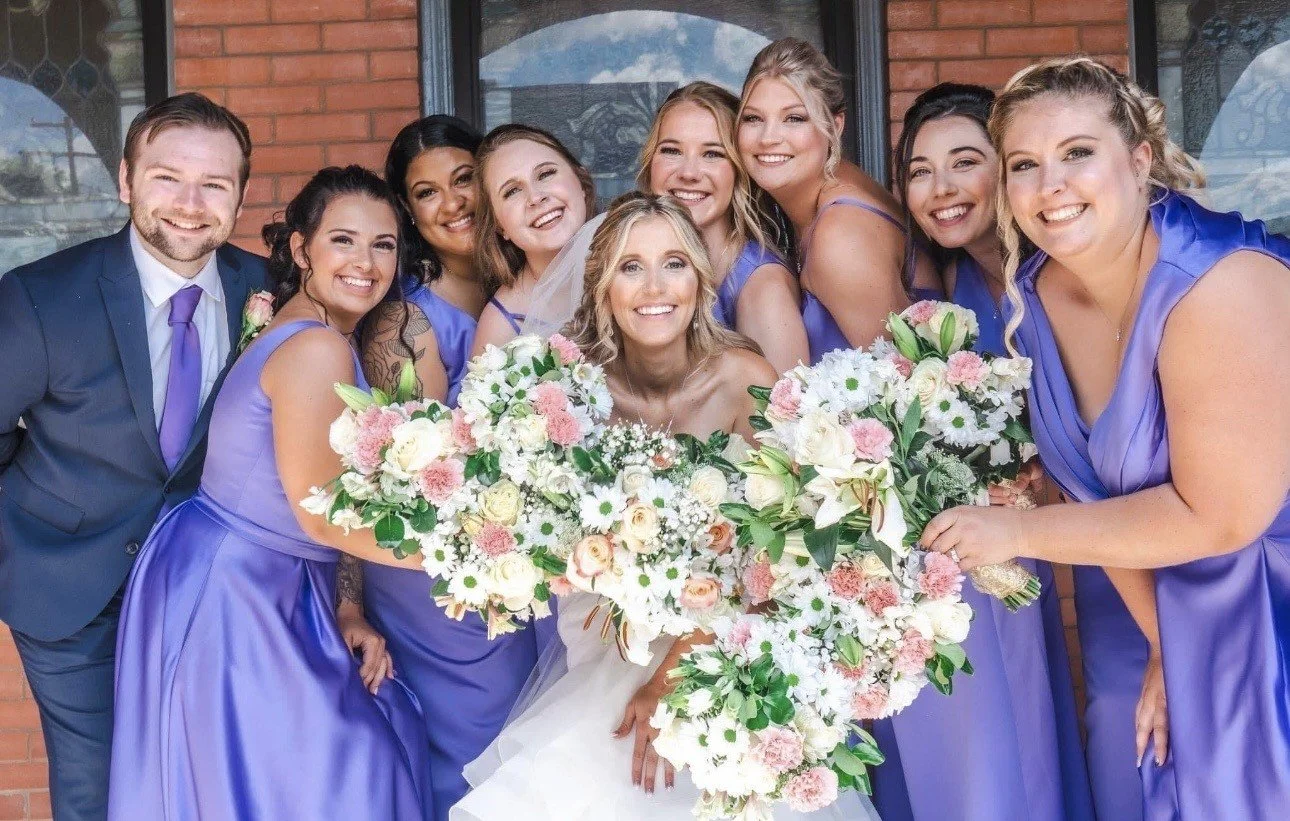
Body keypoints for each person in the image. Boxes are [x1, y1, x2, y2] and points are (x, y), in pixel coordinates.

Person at [921, 57, 1290, 821]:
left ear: (1140, 158)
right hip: (1160, 604)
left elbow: (1220, 515)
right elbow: (1099, 488)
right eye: (1025, 164)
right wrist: (1165, 643)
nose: (1050, 185)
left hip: (1268, 604)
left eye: (1077, 153)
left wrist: (1018, 531)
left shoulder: (1220, 286)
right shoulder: (1039, 293)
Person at [452, 192, 878, 821]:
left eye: (674, 263)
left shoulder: (743, 379)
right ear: (602, 286)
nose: (655, 286)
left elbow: (782, 552)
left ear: (700, 281)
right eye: (631, 267)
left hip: (727, 650)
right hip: (606, 647)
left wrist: (672, 679)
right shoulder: (568, 394)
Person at [107, 166, 434, 820]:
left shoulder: (308, 330)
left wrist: (345, 606)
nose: (367, 263)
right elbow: (322, 512)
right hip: (243, 591)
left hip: (261, 577)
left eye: (385, 244)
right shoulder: (317, 347)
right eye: (344, 240)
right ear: (300, 249)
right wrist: (464, 558)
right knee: (343, 771)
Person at [0, 92, 265, 821]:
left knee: (201, 773)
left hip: (212, 590)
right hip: (74, 585)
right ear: (126, 181)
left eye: (215, 184)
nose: (189, 203)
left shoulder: (268, 291)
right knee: (100, 788)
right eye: (166, 177)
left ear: (240, 195)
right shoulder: (39, 298)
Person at [872, 82, 1094, 821]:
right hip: (1025, 534)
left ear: (1006, 165)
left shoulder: (1064, 268)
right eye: (920, 171)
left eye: (965, 162)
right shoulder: (954, 286)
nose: (942, 190)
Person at [344, 115, 542, 821]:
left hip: (542, 561)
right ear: (412, 216)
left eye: (464, 180)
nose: (453, 202)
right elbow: (409, 481)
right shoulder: (405, 328)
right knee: (481, 754)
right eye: (427, 193)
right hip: (446, 581)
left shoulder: (540, 286)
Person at [737, 38, 941, 364]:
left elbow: (909, 387)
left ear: (835, 124)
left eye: (794, 118)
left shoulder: (840, 237)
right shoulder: (827, 188)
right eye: (753, 118)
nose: (768, 138)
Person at [638, 81, 808, 372]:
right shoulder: (629, 259)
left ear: (739, 171)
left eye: (713, 154)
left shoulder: (764, 288)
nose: (688, 173)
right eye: (671, 151)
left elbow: (783, 413)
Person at [470, 124, 595, 355]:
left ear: (581, 180)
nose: (535, 197)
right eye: (512, 191)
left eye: (546, 174)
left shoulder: (638, 256)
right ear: (499, 225)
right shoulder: (501, 329)